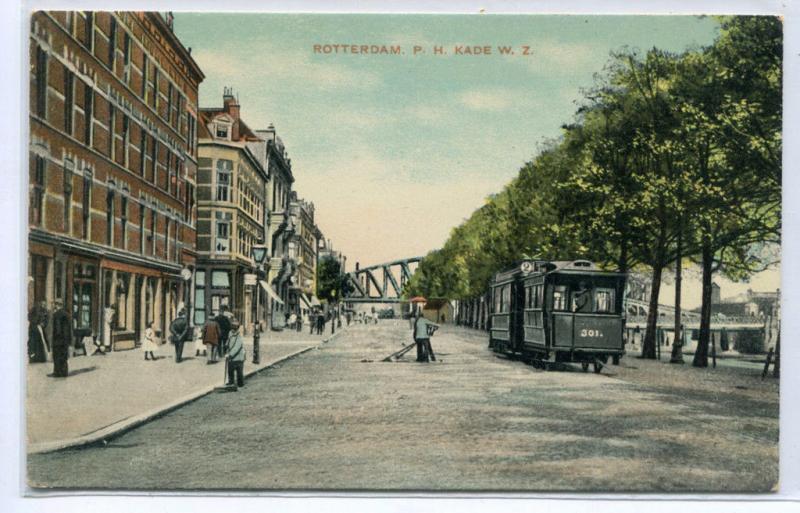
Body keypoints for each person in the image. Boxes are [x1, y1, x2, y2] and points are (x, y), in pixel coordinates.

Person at [51, 299, 71, 377]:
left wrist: (56, 337)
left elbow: (57, 328)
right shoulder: (66, 314)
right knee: (64, 357)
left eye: (55, 304)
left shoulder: (56, 315)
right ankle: (64, 372)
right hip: (65, 340)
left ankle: (57, 372)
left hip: (58, 340)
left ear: (57, 305)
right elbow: (69, 329)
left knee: (57, 356)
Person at [225, 320, 246, 389]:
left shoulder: (239, 335)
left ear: (237, 328)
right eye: (232, 326)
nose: (233, 328)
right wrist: (226, 346)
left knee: (239, 371)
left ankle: (240, 383)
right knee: (230, 370)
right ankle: (231, 382)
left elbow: (237, 346)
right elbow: (228, 341)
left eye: (235, 327)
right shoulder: (230, 333)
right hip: (231, 357)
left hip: (239, 356)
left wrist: (230, 354)